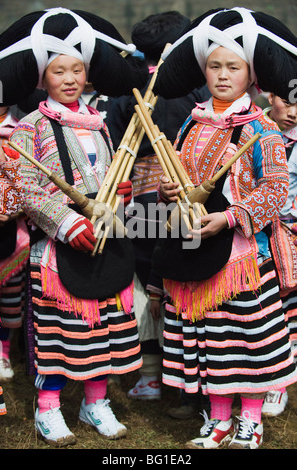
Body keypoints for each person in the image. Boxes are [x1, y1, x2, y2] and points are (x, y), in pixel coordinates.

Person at [0, 7, 148, 447]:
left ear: (88, 75)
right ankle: (48, 409)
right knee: (61, 335)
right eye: (58, 71)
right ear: (42, 78)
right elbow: (27, 190)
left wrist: (123, 194)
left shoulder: (99, 125)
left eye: (77, 70)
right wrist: (66, 222)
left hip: (106, 242)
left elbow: (110, 178)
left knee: (105, 331)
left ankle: (95, 403)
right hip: (59, 251)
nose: (69, 78)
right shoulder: (30, 128)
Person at [152, 7, 297, 449]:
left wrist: (231, 217)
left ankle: (249, 422)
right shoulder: (190, 123)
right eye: (214, 66)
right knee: (210, 343)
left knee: (247, 345)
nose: (221, 74)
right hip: (195, 252)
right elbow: (174, 174)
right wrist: (168, 193)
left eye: (232, 67)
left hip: (244, 259)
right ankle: (217, 420)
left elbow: (275, 193)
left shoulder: (262, 129)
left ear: (251, 75)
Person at [107, 11, 210, 408]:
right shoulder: (195, 91)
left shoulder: (125, 93)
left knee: (145, 280)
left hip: (136, 202)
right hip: (182, 200)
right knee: (180, 283)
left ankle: (150, 375)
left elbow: (114, 142)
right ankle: (186, 382)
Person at [261, 94, 297, 417]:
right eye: (288, 102)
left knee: (290, 309)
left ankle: (278, 383)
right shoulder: (256, 128)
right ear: (271, 96)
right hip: (259, 234)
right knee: (267, 309)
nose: (294, 113)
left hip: (292, 235)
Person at [0, 106, 30, 382]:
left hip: (12, 231)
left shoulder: (21, 130)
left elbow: (29, 179)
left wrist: (14, 209)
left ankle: (4, 352)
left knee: (10, 297)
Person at [0, 140, 24, 418]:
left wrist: (5, 159)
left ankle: (2, 353)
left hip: (11, 238)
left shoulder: (16, 136)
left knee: (9, 301)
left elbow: (25, 188)